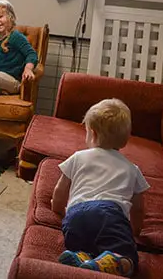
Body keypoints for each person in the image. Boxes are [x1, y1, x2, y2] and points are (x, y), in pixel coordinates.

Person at [50, 99, 149, 277]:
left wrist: (58, 209)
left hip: (75, 214)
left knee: (81, 243)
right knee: (128, 259)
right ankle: (112, 262)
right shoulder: (131, 168)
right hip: (110, 215)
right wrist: (135, 230)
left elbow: (60, 190)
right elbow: (139, 207)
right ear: (126, 139)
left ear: (92, 134)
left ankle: (81, 256)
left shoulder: (77, 157)